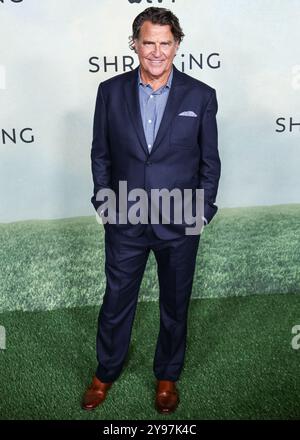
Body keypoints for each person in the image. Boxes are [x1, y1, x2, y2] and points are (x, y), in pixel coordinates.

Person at [82, 7, 221, 414]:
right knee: (116, 301)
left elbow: (209, 162)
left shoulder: (201, 95)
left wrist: (202, 211)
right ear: (135, 44)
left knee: (175, 304)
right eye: (148, 42)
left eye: (165, 43)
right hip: (125, 219)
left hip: (180, 221)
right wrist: (104, 202)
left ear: (177, 45)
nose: (156, 51)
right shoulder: (109, 91)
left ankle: (167, 376)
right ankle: (104, 373)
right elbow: (101, 154)